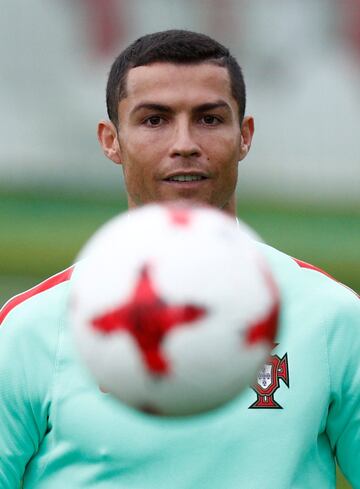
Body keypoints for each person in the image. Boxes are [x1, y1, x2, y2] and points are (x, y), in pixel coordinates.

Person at [0, 30, 359, 489]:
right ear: (111, 141)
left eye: (209, 119)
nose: (185, 143)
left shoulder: (329, 316)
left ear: (244, 135)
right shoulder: (34, 327)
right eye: (155, 120)